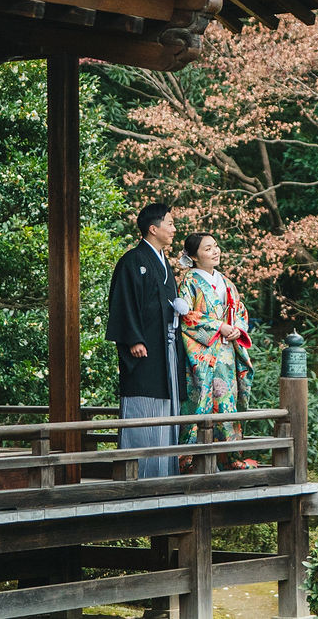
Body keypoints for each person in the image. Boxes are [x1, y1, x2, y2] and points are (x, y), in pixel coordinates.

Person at [105, 201, 183, 478]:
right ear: (153, 228)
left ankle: (164, 473)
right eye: (170, 223)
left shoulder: (163, 262)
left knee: (167, 405)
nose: (174, 229)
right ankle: (138, 474)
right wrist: (133, 339)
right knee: (144, 405)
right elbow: (123, 302)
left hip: (166, 346)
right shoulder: (132, 261)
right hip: (143, 348)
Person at [174, 233, 254, 469]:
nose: (215, 251)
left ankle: (230, 457)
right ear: (194, 256)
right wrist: (220, 326)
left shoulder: (227, 282)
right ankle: (190, 460)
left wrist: (238, 329)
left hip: (227, 353)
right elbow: (187, 316)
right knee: (201, 402)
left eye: (216, 246)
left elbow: (240, 310)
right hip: (203, 355)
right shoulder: (188, 281)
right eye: (208, 249)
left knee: (227, 404)